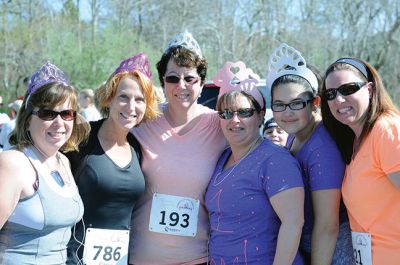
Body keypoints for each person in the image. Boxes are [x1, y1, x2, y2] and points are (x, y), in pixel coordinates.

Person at [128, 31, 227, 265]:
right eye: (172, 78)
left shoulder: (221, 125)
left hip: (197, 259)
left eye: (189, 78)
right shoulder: (142, 121)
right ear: (162, 83)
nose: (181, 85)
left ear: (202, 84)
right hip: (140, 258)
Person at [205, 61, 304, 264]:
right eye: (226, 113)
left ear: (260, 116)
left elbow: (293, 223)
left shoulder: (276, 160)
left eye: (244, 112)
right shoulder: (222, 158)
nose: (234, 120)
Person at [65, 53, 159, 265]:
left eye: (139, 100)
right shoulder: (81, 137)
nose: (131, 107)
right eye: (123, 97)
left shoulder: (137, 146)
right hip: (74, 258)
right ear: (109, 98)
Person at [266, 43, 354, 265]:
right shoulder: (297, 135)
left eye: (296, 103)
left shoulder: (322, 148)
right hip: (307, 245)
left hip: (333, 252)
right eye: (279, 105)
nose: (287, 113)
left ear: (315, 103)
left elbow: (328, 225)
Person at [0, 62, 89, 264]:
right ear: (28, 119)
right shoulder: (13, 163)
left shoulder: (63, 161)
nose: (59, 123)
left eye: (66, 114)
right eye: (47, 113)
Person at [321, 57, 400, 265]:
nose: (338, 99)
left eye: (348, 89)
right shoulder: (354, 141)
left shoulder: (386, 130)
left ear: (370, 89)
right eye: (330, 94)